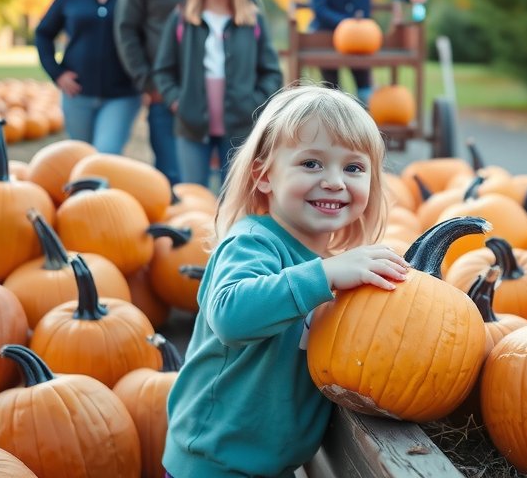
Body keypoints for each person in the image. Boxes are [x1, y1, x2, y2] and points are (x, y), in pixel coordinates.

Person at [162, 84, 409, 478]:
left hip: (274, 465)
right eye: (311, 163)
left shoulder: (326, 266)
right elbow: (230, 315)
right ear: (264, 177)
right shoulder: (252, 242)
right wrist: (325, 274)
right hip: (214, 464)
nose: (333, 181)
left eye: (353, 168)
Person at [152, 0, 283, 190]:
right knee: (193, 194)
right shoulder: (182, 18)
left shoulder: (252, 20)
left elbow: (271, 72)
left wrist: (254, 102)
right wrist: (177, 100)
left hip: (240, 125)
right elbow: (163, 69)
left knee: (235, 194)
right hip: (191, 124)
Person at [115, 0, 208, 185]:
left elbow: (253, 24)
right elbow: (126, 29)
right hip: (168, 98)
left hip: (226, 99)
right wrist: (148, 82)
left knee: (232, 184)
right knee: (174, 181)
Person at [35, 0, 141, 154]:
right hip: (77, 95)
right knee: (82, 156)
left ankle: (104, 191)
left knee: (105, 153)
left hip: (122, 95)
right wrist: (57, 73)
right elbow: (43, 34)